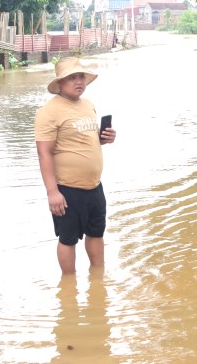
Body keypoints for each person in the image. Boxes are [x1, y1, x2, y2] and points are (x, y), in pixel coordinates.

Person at [35, 57, 116, 275]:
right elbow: (44, 153)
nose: (78, 81)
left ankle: (98, 279)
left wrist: (105, 138)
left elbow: (86, 140)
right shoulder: (49, 112)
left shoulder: (88, 105)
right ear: (60, 83)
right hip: (67, 189)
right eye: (72, 78)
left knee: (97, 233)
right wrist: (53, 192)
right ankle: (68, 286)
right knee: (68, 239)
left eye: (81, 76)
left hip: (94, 187)